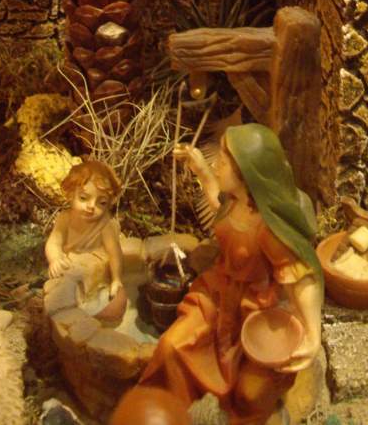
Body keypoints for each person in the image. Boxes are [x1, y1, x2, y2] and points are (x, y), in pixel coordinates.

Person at [111, 123, 323, 425]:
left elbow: (302, 277)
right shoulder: (233, 202)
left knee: (249, 393)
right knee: (172, 347)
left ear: (246, 174)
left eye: (222, 162)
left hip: (253, 308)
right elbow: (215, 199)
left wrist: (313, 335)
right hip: (217, 293)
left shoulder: (268, 228)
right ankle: (161, 412)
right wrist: (199, 167)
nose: (216, 166)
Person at [45, 158, 124, 299]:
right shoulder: (65, 218)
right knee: (59, 284)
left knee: (80, 282)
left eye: (102, 202)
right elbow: (54, 242)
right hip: (70, 263)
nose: (91, 206)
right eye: (83, 198)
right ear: (70, 195)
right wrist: (55, 259)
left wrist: (116, 279)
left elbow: (114, 254)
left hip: (95, 266)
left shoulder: (105, 225)